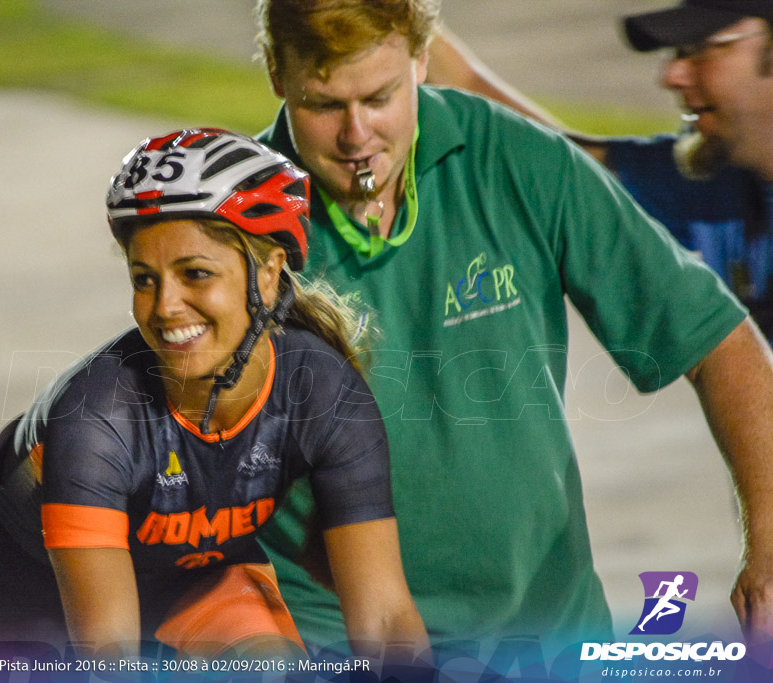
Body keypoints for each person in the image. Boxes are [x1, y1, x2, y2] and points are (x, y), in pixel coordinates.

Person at [252, 0, 773, 656]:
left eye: (382, 97)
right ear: (277, 72)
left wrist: (768, 545)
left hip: (545, 639)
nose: (358, 134)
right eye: (325, 105)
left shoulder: (519, 161)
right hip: (336, 647)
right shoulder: (232, 229)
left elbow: (719, 340)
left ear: (420, 60)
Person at [0, 128, 428, 661]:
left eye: (194, 273)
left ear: (266, 276)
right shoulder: (98, 417)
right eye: (144, 279)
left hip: (183, 578)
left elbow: (383, 618)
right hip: (17, 600)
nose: (166, 306)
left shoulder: (324, 390)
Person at [425, 0, 773, 338]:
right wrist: (408, 26)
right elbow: (564, 165)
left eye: (700, 48)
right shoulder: (721, 186)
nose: (671, 74)